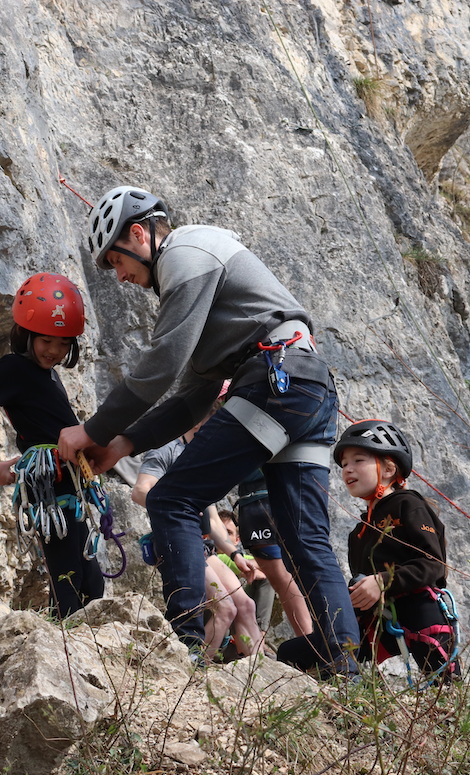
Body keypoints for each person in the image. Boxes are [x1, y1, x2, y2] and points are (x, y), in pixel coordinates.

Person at [57, 184, 360, 675]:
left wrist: (91, 429)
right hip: (309, 386)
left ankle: (187, 645)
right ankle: (341, 660)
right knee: (305, 538)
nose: (120, 276)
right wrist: (121, 444)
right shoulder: (212, 303)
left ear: (139, 234)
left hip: (273, 380)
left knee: (170, 499)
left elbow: (162, 363)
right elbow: (191, 399)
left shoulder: (186, 252)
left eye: (116, 260)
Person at [0, 273, 104, 617]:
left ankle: (73, 639)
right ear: (26, 334)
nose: (54, 351)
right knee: (68, 576)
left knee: (91, 583)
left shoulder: (51, 376)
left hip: (70, 484)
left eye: (64, 343)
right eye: (46, 340)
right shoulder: (13, 367)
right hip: (48, 487)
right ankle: (62, 640)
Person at [330, 420, 458, 680]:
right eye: (344, 464)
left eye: (358, 460)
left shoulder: (408, 505)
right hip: (378, 619)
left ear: (389, 469)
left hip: (421, 610)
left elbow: (433, 563)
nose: (347, 469)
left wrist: (382, 581)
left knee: (445, 687)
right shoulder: (359, 533)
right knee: (307, 653)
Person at [131, 414, 264, 660]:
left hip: (203, 544)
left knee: (246, 605)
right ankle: (195, 669)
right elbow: (140, 491)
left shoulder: (203, 457)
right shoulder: (168, 450)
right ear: (198, 421)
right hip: (177, 537)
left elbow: (212, 521)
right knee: (225, 608)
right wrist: (176, 506)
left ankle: (261, 673)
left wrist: (235, 554)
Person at [232, 471, 313, 637]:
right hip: (260, 496)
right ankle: (311, 642)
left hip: (260, 496)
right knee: (281, 579)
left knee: (282, 579)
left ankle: (310, 643)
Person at [217, 508, 277, 634]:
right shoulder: (213, 556)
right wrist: (258, 568)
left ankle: (259, 635)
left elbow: (266, 566)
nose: (224, 536)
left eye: (229, 533)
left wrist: (258, 569)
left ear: (237, 540)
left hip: (232, 619)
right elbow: (265, 563)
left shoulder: (238, 557)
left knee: (268, 579)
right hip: (216, 618)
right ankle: (257, 638)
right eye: (220, 531)